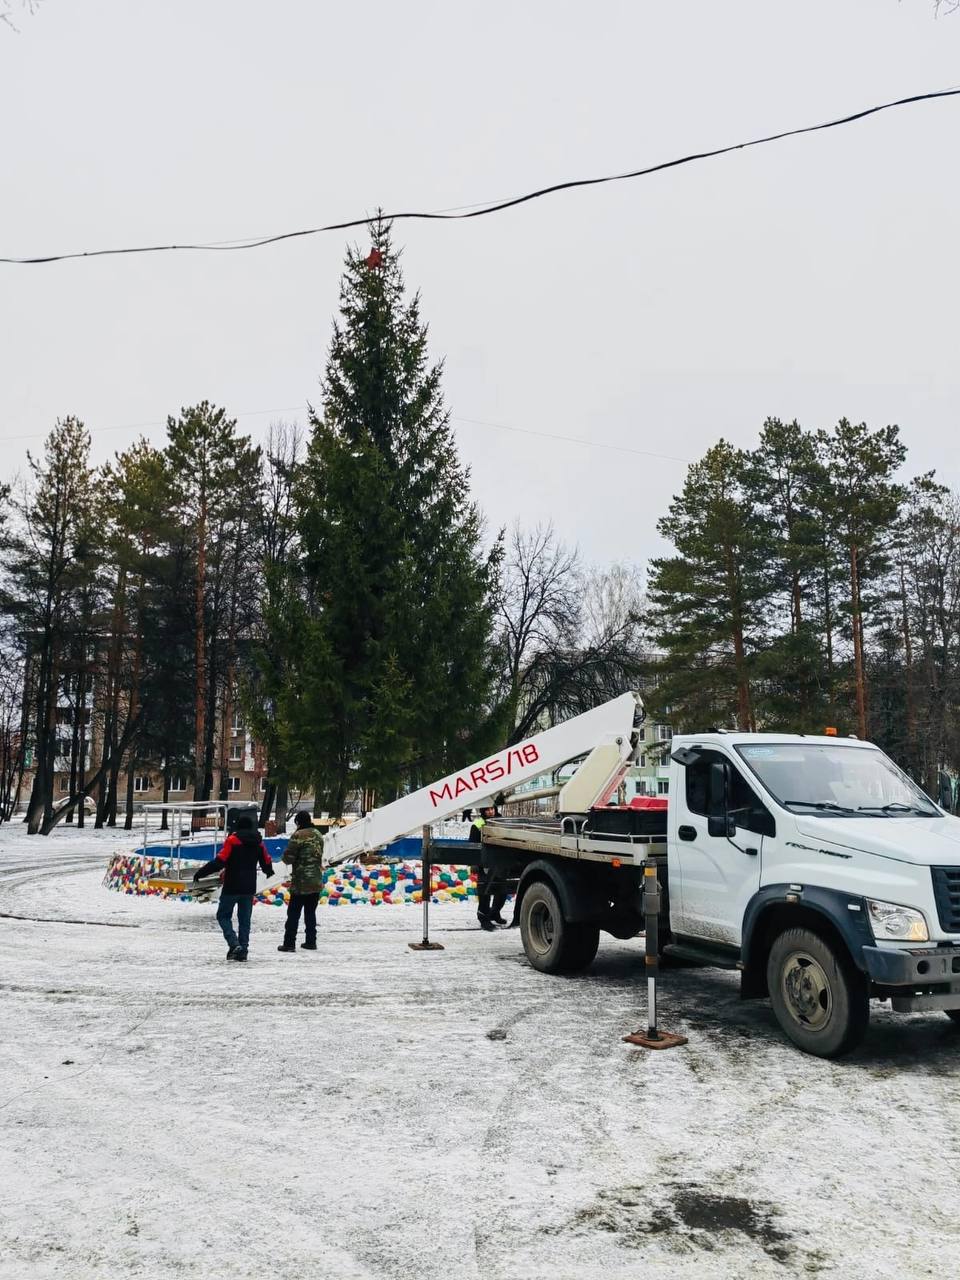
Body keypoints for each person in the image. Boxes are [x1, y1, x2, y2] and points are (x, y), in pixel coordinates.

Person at [192, 813, 274, 962]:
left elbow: (220, 861)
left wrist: (201, 872)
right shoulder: (258, 842)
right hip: (249, 887)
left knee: (223, 916)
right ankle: (243, 951)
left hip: (232, 885)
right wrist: (269, 871)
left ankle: (234, 943)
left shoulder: (233, 840)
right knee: (244, 920)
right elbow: (266, 860)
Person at [277, 811, 325, 953]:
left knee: (293, 914)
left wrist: (285, 856)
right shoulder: (318, 834)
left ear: (298, 822)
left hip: (301, 882)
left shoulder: (298, 836)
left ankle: (289, 943)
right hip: (315, 880)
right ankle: (311, 942)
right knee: (310, 913)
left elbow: (288, 858)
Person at [471, 804, 507, 931]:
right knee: (485, 892)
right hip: (485, 862)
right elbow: (473, 845)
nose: (491, 812)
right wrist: (475, 864)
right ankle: (483, 918)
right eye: (488, 809)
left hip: (500, 861)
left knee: (502, 891)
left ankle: (495, 912)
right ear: (483, 811)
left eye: (492, 809)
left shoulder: (501, 821)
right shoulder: (478, 824)